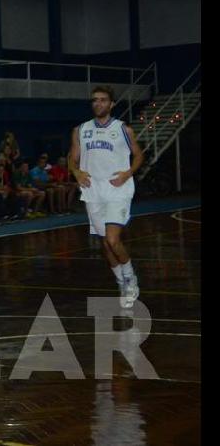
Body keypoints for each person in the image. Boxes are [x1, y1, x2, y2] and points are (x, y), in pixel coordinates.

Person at [69, 86, 144, 309]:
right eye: (94, 100)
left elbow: (139, 155)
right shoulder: (80, 130)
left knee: (113, 239)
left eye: (103, 100)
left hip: (118, 190)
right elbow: (72, 158)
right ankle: (121, 281)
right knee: (105, 243)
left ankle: (131, 279)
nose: (98, 104)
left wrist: (128, 173)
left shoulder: (123, 129)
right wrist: (77, 172)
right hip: (93, 191)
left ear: (111, 104)